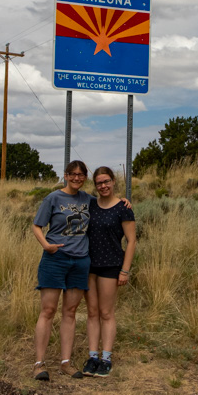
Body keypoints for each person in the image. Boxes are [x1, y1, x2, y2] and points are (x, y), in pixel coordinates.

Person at [31, 160, 94, 381]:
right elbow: (36, 225)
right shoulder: (53, 198)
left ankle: (65, 362)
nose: (77, 178)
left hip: (80, 261)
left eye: (81, 175)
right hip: (55, 259)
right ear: (65, 175)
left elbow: (107, 205)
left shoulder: (88, 199)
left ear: (85, 177)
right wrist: (46, 245)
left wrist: (123, 201)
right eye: (72, 174)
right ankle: (39, 364)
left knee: (70, 312)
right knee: (48, 311)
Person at [82, 166, 136, 378]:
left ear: (113, 181)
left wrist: (125, 270)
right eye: (99, 183)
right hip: (89, 265)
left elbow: (131, 241)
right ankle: (93, 356)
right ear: (95, 186)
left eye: (106, 181)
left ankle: (106, 358)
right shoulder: (90, 204)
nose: (103, 186)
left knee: (106, 312)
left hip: (111, 265)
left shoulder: (123, 208)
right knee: (92, 312)